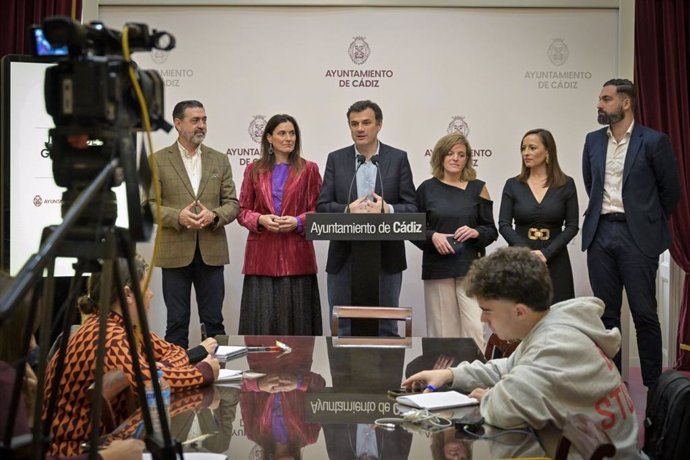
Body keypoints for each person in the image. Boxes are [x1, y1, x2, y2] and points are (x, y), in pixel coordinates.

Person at [402, 247, 645, 459]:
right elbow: (508, 367)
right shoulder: (552, 325)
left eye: (487, 310)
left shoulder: (555, 346)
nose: (482, 319)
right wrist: (449, 374)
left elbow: (501, 410)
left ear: (519, 311)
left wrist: (489, 396)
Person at [42, 255, 220, 457]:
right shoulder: (108, 336)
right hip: (74, 452)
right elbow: (149, 384)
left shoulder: (124, 327)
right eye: (147, 287)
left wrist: (160, 369)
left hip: (103, 445)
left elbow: (174, 353)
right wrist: (203, 372)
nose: (151, 294)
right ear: (127, 293)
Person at [581, 79, 680, 389]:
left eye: (606, 99)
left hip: (637, 237)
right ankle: (612, 383)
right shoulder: (593, 141)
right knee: (606, 316)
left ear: (625, 103)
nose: (599, 104)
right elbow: (590, 184)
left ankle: (655, 386)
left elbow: (670, 191)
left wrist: (645, 221)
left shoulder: (653, 141)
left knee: (644, 314)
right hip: (600, 234)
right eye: (599, 98)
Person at [0, 272, 146, 460]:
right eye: (27, 334)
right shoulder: (5, 383)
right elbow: (149, 381)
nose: (33, 346)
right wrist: (106, 457)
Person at [316, 100, 417, 336]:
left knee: (386, 328)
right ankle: (342, 374)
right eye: (354, 124)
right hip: (344, 258)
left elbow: (412, 207)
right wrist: (346, 210)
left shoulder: (398, 158)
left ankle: (388, 375)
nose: (360, 129)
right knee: (343, 329)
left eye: (366, 123)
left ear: (379, 125)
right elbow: (322, 207)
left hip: (386, 258)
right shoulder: (336, 159)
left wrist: (388, 209)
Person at [151, 99, 239, 348]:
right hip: (174, 252)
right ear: (178, 124)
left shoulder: (219, 160)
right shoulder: (157, 160)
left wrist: (214, 215)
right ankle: (177, 379)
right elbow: (146, 206)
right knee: (176, 323)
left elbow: (232, 204)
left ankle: (219, 378)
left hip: (211, 251)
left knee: (214, 323)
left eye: (204, 120)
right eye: (195, 120)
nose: (202, 125)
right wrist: (177, 216)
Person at [237, 114, 323, 335]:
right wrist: (260, 219)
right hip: (261, 259)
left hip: (297, 259)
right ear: (269, 138)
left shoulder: (309, 169)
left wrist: (298, 221)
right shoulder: (253, 169)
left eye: (292, 133)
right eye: (282, 133)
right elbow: (242, 210)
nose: (288, 138)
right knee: (261, 326)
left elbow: (321, 211)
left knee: (298, 327)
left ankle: (299, 370)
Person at [414, 133, 497, 345]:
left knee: (475, 330)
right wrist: (433, 236)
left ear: (467, 159)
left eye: (461, 154)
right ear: (440, 157)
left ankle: (476, 378)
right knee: (443, 333)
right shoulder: (426, 189)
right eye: (450, 153)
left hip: (470, 269)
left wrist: (476, 232)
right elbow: (413, 228)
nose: (455, 158)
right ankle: (443, 378)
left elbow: (490, 230)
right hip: (438, 268)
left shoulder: (479, 188)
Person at [499, 128, 579, 303]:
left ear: (548, 151)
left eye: (532, 148)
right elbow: (504, 224)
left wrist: (546, 253)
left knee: (558, 314)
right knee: (521, 313)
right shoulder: (513, 185)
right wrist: (528, 253)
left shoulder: (566, 184)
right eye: (523, 148)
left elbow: (572, 225)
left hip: (556, 258)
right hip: (521, 259)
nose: (526, 153)